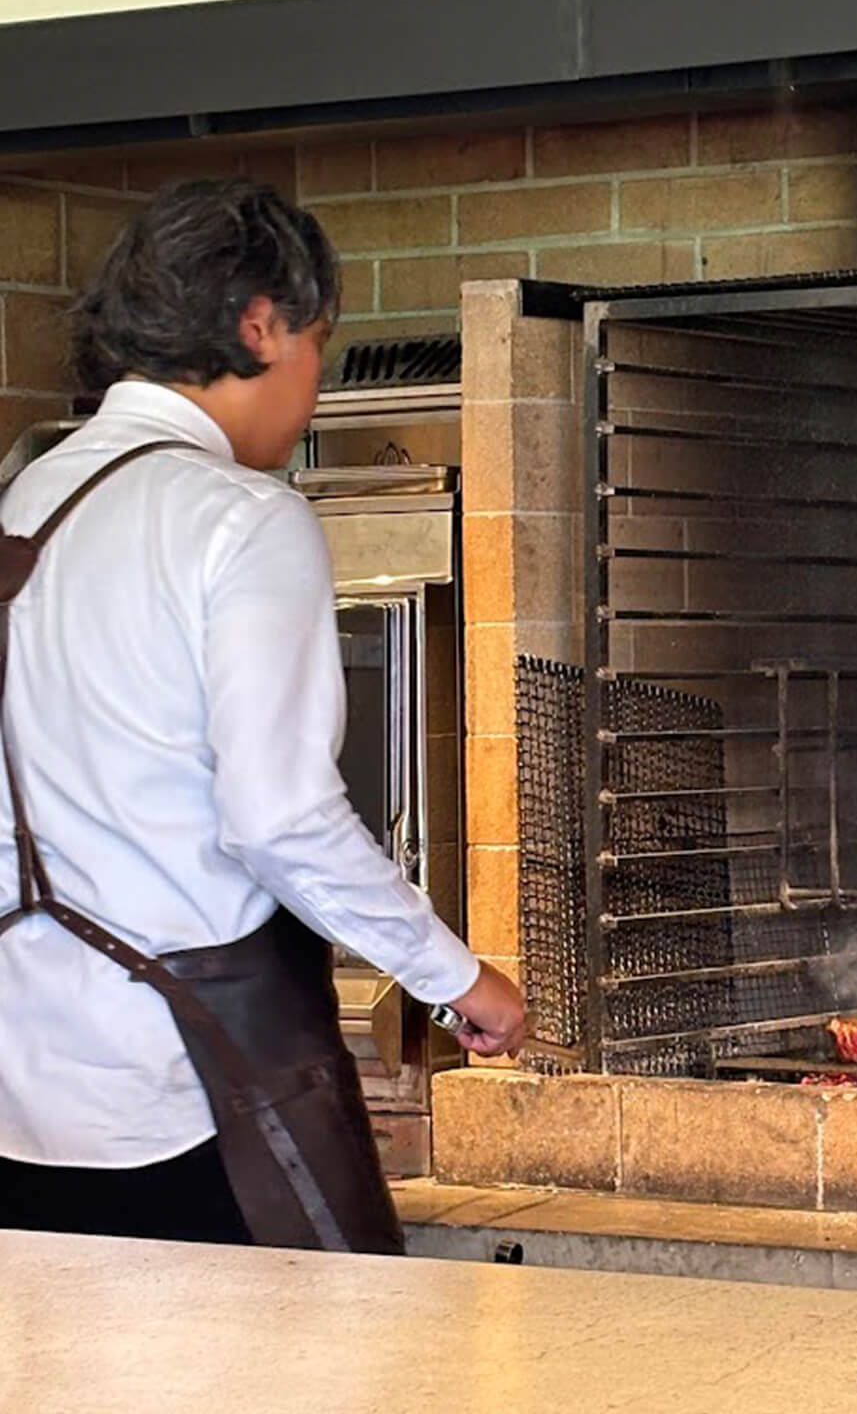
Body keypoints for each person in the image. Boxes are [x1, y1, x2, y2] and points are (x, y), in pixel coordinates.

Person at [0, 178, 525, 1252]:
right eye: (318, 348)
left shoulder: (24, 503)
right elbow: (278, 817)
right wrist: (458, 978)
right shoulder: (241, 518)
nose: (315, 390)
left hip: (23, 1089)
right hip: (186, 1095)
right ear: (260, 324)